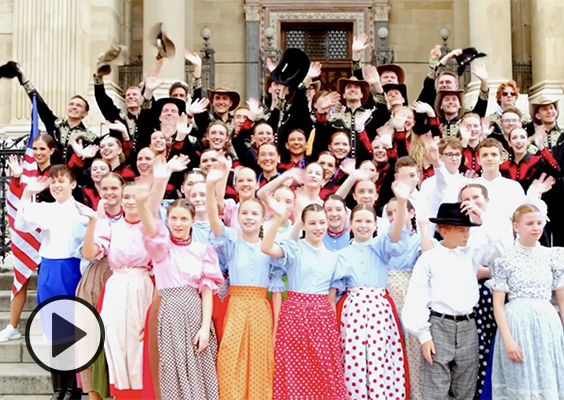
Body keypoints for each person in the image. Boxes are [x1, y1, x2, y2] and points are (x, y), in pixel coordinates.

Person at [402, 202, 508, 400]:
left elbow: (500, 247)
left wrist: (483, 215)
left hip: (468, 324)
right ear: (444, 231)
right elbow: (416, 297)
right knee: (435, 386)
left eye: (468, 229)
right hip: (438, 324)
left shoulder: (471, 253)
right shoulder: (429, 259)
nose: (466, 234)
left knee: (466, 385)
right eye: (461, 230)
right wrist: (424, 336)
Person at [136, 164, 223, 400]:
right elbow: (149, 226)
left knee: (200, 366)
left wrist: (205, 328)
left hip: (194, 311)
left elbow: (206, 291)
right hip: (169, 312)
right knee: (172, 368)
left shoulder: (203, 250)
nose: (178, 223)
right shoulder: (162, 248)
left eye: (184, 218)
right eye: (173, 218)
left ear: (193, 221)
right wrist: (149, 196)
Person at [14, 165, 90, 400]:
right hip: (48, 268)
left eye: (62, 181)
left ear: (73, 184)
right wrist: (27, 194)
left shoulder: (83, 211)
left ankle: (75, 387)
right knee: (54, 330)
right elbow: (21, 225)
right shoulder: (46, 208)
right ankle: (59, 387)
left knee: (73, 329)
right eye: (53, 181)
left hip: (71, 269)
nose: (57, 185)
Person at [206, 167, 282, 400]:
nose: (249, 217)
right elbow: (213, 219)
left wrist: (276, 329)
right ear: (238, 218)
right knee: (230, 359)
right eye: (244, 213)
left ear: (263, 218)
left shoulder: (271, 248)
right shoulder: (231, 241)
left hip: (260, 308)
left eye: (254, 214)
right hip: (236, 305)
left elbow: (277, 291)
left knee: (260, 363)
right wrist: (210, 188)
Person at [261, 201, 347, 400]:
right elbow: (266, 247)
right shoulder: (294, 248)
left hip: (322, 318)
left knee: (322, 372)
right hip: (294, 315)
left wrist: (332, 331)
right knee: (293, 369)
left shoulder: (334, 258)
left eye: (322, 223)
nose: (318, 228)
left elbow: (332, 299)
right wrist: (278, 219)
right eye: (313, 223)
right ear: (304, 225)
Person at [333, 180, 410, 399]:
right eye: (358, 221)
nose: (363, 225)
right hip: (353, 310)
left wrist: (402, 203)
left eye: (368, 221)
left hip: (379, 310)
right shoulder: (342, 255)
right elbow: (336, 289)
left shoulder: (380, 247)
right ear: (350, 224)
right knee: (354, 357)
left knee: (379, 357)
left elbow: (396, 235)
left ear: (376, 225)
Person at [489, 204, 564, 399]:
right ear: (516, 227)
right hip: (516, 325)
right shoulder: (504, 259)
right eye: (530, 223)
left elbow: (562, 300)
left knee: (548, 378)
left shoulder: (553, 256)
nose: (536, 227)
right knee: (520, 380)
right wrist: (507, 339)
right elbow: (498, 304)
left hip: (547, 324)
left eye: (539, 223)